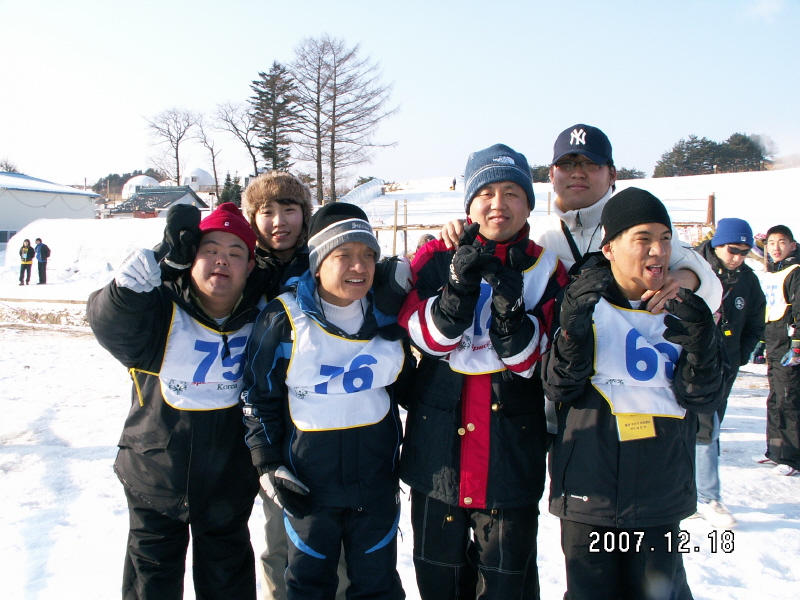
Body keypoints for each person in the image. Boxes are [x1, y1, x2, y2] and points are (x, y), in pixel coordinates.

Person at [398, 143, 570, 599]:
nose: (499, 204)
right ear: (470, 204)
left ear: (529, 203)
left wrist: (512, 315)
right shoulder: (435, 256)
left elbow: (538, 362)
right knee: (441, 581)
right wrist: (455, 289)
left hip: (510, 456)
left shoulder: (547, 266)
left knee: (508, 585)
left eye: (512, 192)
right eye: (487, 192)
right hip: (438, 458)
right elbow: (428, 339)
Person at [543, 187, 726, 600]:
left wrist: (702, 344)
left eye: (665, 238)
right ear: (609, 247)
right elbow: (557, 386)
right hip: (590, 492)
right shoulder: (582, 299)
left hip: (659, 494)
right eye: (643, 239)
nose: (658, 251)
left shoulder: (687, 309)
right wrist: (572, 330)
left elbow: (703, 399)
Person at [87, 202, 265, 600]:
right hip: (154, 474)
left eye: (236, 253)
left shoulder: (265, 314)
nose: (223, 261)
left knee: (227, 580)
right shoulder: (159, 305)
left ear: (250, 266)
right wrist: (126, 290)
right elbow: (111, 324)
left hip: (228, 482)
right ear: (192, 258)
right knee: (152, 581)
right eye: (211, 250)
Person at [241, 202, 414, 600]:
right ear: (318, 263)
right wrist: (267, 462)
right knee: (308, 588)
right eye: (345, 255)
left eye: (368, 255)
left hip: (375, 486)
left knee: (378, 587)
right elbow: (257, 393)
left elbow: (410, 387)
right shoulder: (284, 317)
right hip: (309, 489)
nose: (359, 266)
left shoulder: (387, 316)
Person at [441, 124, 722, 314]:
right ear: (551, 174)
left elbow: (709, 284)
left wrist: (684, 280)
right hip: (550, 384)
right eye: (567, 164)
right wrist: (458, 231)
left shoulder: (636, 226)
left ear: (612, 174)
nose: (578, 172)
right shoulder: (538, 235)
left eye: (591, 163)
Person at [691, 218, 765, 527]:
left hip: (724, 366)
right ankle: (706, 497)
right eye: (733, 249)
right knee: (699, 425)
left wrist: (739, 356)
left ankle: (697, 494)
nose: (738, 257)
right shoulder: (690, 264)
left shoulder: (748, 280)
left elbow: (755, 323)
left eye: (745, 252)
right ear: (718, 243)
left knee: (710, 426)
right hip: (687, 361)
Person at [752, 224, 800, 476]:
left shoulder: (795, 271)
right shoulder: (773, 273)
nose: (775, 248)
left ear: (792, 245)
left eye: (782, 242)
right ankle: (775, 450)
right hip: (774, 344)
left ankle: (791, 457)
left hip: (789, 346)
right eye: (771, 243)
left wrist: (797, 344)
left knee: (789, 400)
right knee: (775, 398)